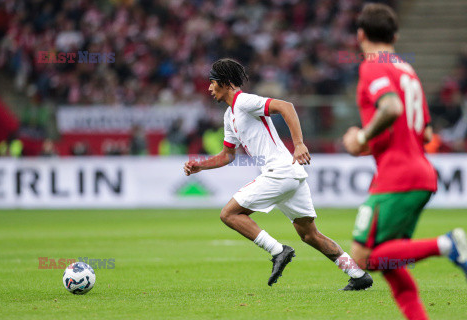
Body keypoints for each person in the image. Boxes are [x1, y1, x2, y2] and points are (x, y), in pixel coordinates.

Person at [184, 58, 373, 288]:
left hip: (280, 172)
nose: (209, 88)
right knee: (309, 235)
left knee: (229, 214)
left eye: (212, 82)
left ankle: (278, 250)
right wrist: (200, 165)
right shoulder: (229, 116)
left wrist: (299, 144)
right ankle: (358, 276)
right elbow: (227, 155)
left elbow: (286, 107)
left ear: (224, 83)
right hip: (290, 174)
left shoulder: (244, 101)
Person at [342, 4, 467, 319]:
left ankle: (447, 245)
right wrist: (371, 144)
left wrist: (360, 138)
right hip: (420, 172)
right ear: (395, 35)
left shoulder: (373, 65)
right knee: (388, 262)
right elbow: (424, 134)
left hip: (397, 176)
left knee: (362, 257)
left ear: (360, 35)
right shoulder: (408, 70)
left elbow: (392, 108)